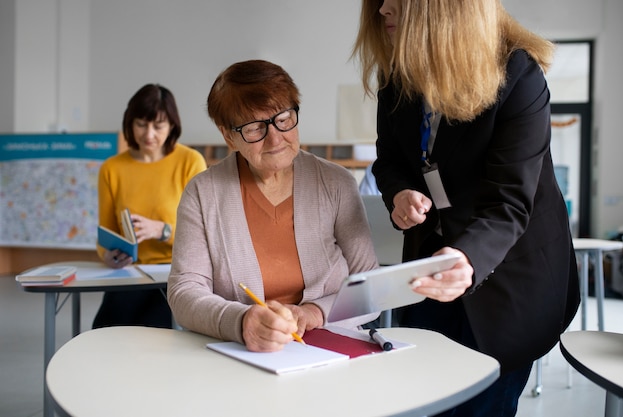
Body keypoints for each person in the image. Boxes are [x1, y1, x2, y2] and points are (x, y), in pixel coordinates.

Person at [352, 1, 580, 416]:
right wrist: (400, 192)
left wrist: (468, 257)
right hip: (429, 271)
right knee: (429, 397)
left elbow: (509, 202)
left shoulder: (518, 76)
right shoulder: (397, 76)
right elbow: (390, 160)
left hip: (508, 275)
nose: (383, 7)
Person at [167, 59, 379, 352]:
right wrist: (241, 322)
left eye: (283, 118)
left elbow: (370, 290)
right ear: (228, 135)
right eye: (255, 128)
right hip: (239, 353)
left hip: (331, 347)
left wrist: (313, 313)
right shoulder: (203, 193)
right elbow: (184, 293)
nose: (275, 138)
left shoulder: (336, 183)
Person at [93, 83, 207, 329]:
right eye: (141, 124)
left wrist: (162, 231)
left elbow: (207, 237)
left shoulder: (190, 162)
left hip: (176, 274)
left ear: (172, 126)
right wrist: (109, 255)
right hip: (129, 274)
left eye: (158, 126)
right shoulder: (112, 169)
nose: (149, 134)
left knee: (155, 332)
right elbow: (105, 235)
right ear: (130, 124)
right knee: (104, 331)